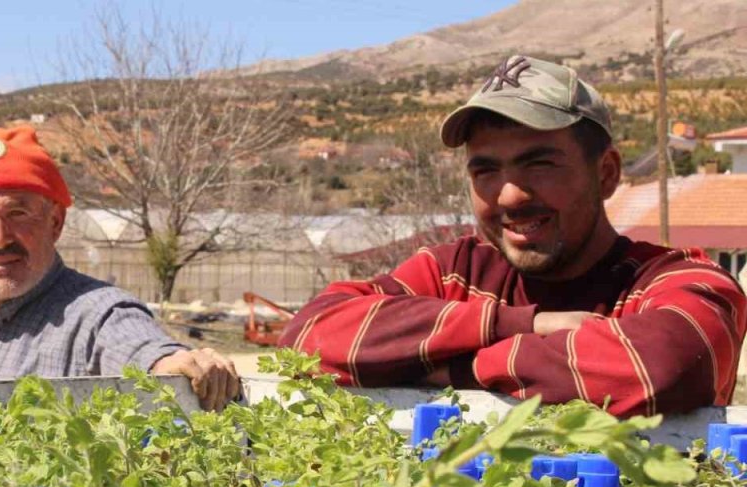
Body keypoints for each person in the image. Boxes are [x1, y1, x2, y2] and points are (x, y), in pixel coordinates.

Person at [279, 55, 746, 417]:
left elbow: (661, 367)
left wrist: (455, 368)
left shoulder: (679, 279)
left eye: (539, 164)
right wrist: (520, 324)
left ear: (606, 173)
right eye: (485, 170)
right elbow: (309, 334)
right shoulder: (453, 272)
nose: (509, 195)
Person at [0, 125, 241, 409]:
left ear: (55, 223)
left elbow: (137, 347)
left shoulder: (97, 315)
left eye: (18, 214)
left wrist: (171, 363)